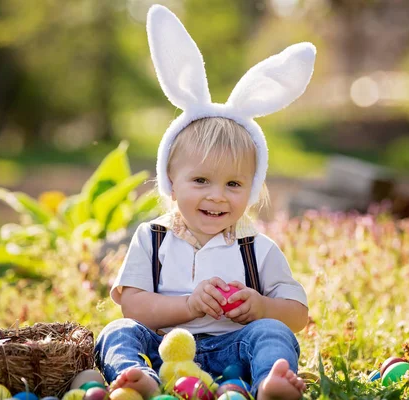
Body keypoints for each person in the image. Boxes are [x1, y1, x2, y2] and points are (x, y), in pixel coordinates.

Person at [94, 4, 316, 400]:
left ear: (251, 190)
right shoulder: (153, 238)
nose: (216, 195)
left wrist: (263, 307)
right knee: (118, 332)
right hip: (166, 349)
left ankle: (269, 384)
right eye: (200, 180)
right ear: (171, 184)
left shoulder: (255, 248)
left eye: (233, 183)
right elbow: (134, 306)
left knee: (273, 334)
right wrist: (189, 305)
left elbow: (297, 314)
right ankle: (136, 377)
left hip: (235, 349)